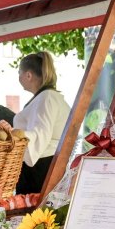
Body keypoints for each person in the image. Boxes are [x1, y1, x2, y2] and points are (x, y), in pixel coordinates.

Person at [12, 51, 71, 194]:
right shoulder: (48, 97)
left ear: (28, 75)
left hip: (41, 167)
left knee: (36, 215)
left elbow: (41, 133)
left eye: (19, 72)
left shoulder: (47, 97)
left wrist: (16, 134)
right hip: (45, 164)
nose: (18, 77)